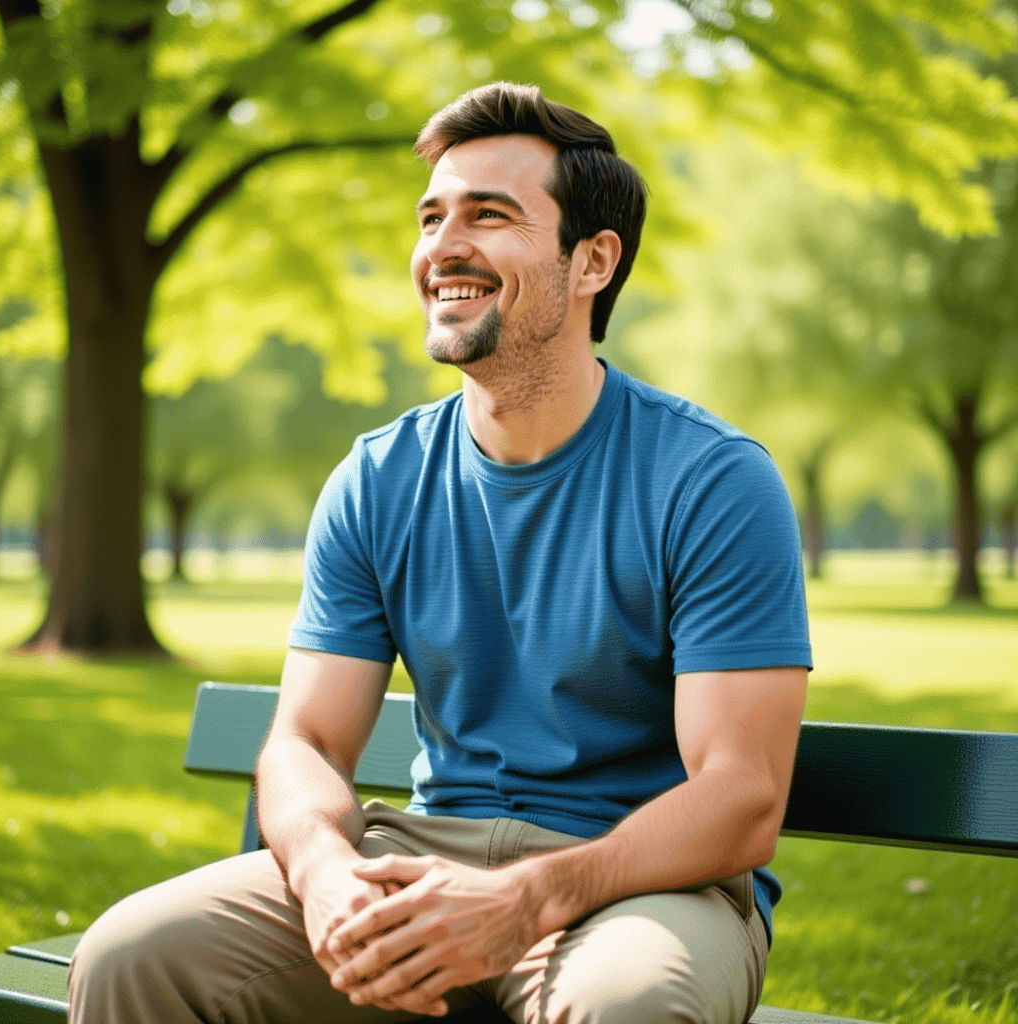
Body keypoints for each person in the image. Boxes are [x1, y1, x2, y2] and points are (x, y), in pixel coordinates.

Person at [68, 82, 811, 1024]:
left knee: (629, 1007)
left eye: (489, 216)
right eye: (431, 218)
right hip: (415, 861)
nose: (442, 248)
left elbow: (742, 795)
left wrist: (529, 899)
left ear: (593, 261)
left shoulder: (711, 480)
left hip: (637, 891)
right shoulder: (378, 478)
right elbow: (306, 742)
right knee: (134, 956)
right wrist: (329, 871)